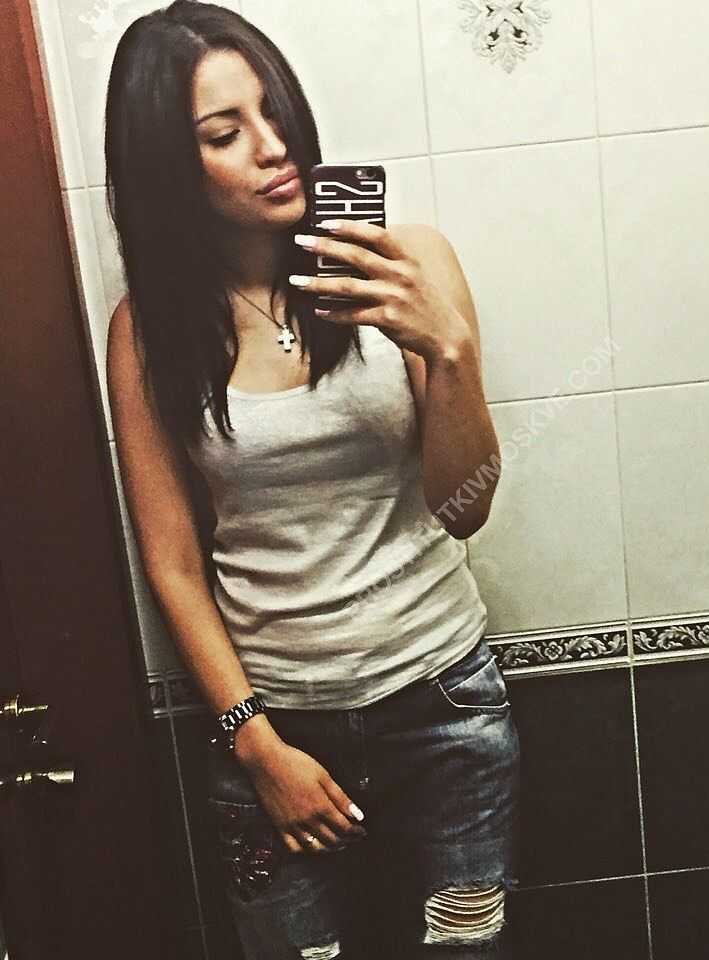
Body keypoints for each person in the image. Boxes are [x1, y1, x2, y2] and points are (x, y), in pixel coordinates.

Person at [103, 2, 521, 957]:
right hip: (273, 728)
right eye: (224, 133)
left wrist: (448, 351)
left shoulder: (406, 263)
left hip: (444, 705)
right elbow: (172, 563)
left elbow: (466, 509)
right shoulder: (149, 333)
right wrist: (258, 750)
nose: (271, 145)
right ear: (170, 170)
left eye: (274, 110)